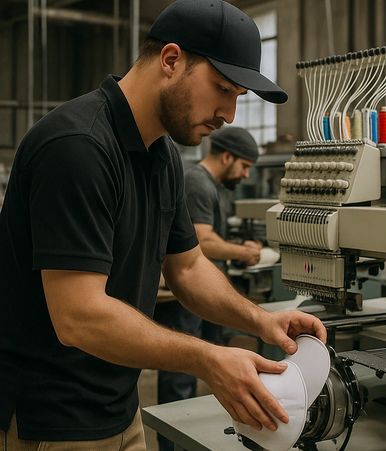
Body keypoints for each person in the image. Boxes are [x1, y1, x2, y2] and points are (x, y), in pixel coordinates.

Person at [0, 1, 326, 450]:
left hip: (119, 406)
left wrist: (260, 320)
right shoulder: (77, 147)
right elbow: (78, 317)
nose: (228, 114)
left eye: (238, 98)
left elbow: (188, 269)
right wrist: (208, 359)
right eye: (222, 89)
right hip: (54, 419)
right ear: (171, 60)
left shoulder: (162, 155)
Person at [154, 127, 262, 451]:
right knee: (179, 380)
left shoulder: (210, 186)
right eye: (244, 166)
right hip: (185, 298)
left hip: (198, 299)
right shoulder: (198, 182)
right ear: (227, 156)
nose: (245, 175)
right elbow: (201, 242)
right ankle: (171, 444)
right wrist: (243, 252)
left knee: (194, 375)